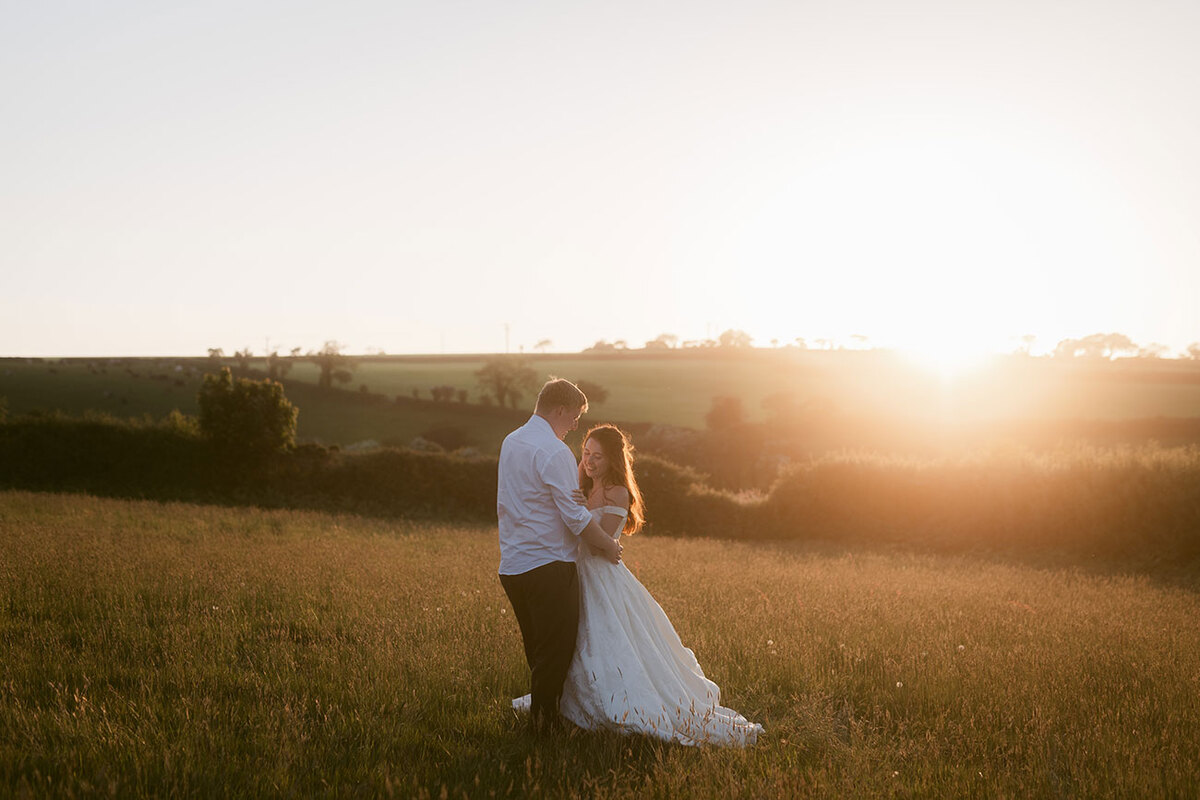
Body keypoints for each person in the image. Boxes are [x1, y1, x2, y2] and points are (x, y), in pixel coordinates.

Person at [514, 424, 763, 747]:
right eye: (586, 453)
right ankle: (565, 703)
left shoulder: (617, 492)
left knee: (606, 640)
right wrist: (571, 505)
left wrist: (577, 512)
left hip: (600, 577)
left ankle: (616, 704)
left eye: (597, 456)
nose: (589, 461)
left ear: (612, 459)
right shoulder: (579, 485)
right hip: (573, 573)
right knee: (570, 642)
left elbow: (600, 543)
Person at [498, 378, 622, 732]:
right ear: (561, 410)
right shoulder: (554, 451)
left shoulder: (511, 441)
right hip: (548, 565)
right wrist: (609, 544)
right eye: (575, 416)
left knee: (539, 651)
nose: (575, 425)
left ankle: (544, 721)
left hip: (513, 564)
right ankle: (545, 728)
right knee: (556, 652)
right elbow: (576, 518)